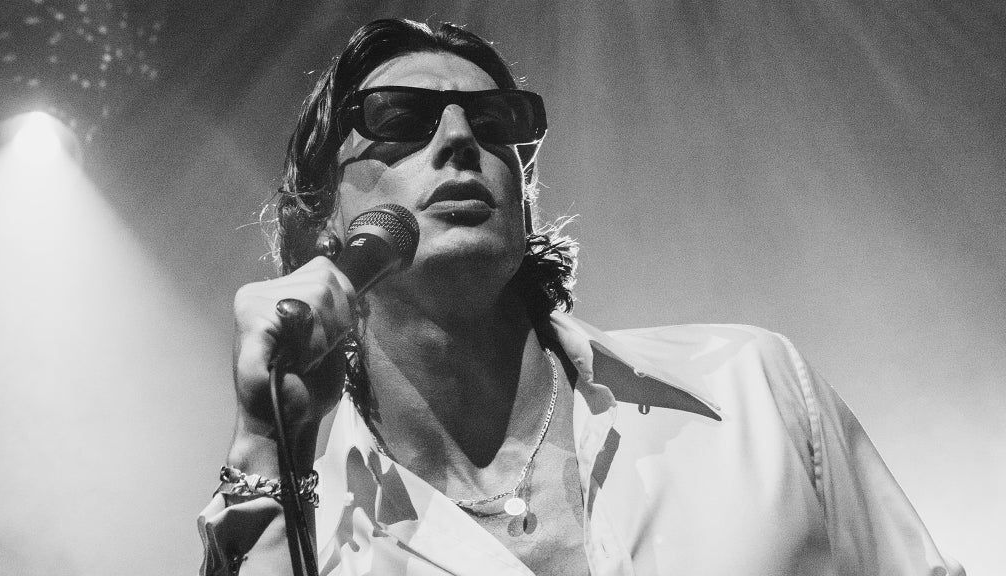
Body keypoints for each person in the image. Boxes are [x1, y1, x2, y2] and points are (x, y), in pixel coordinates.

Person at [199, 18, 963, 576]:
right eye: (401, 118)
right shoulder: (312, 539)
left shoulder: (754, 390)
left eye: (497, 122)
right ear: (319, 216)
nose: (462, 139)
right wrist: (265, 444)